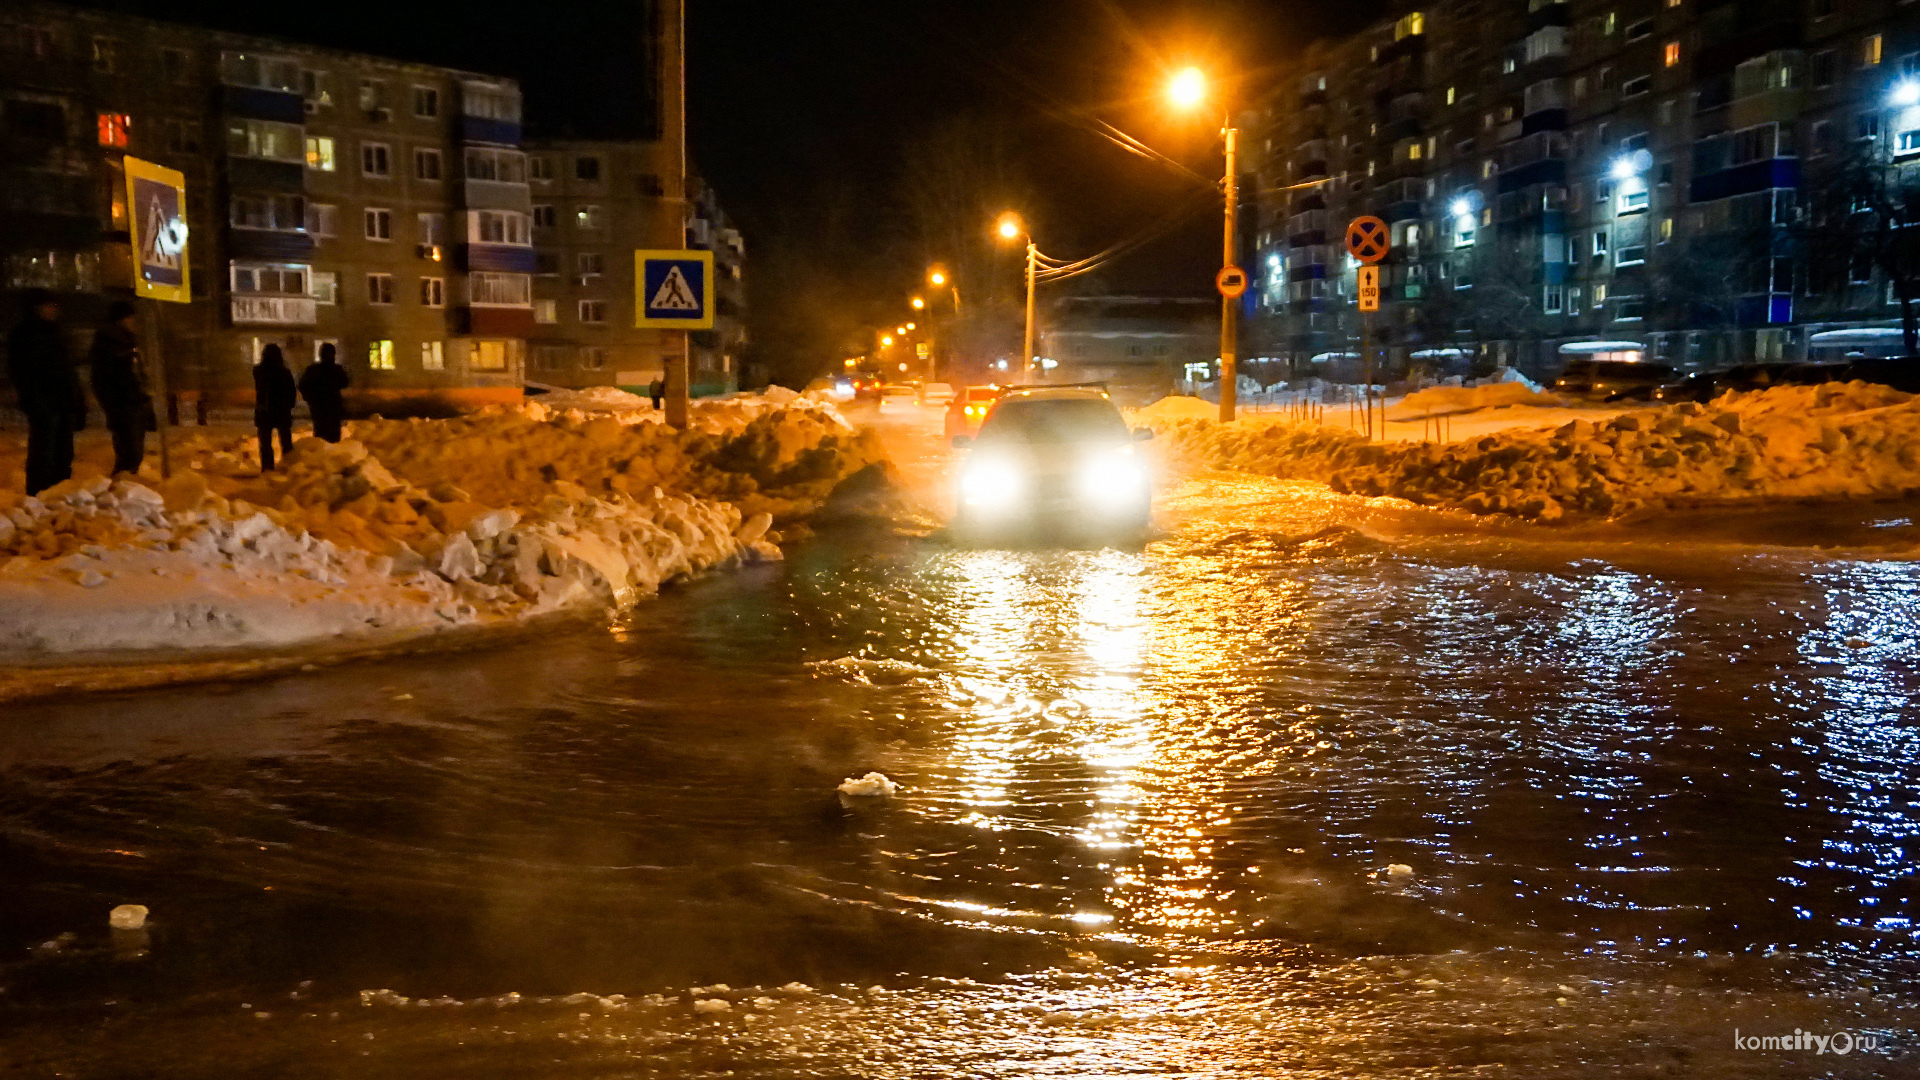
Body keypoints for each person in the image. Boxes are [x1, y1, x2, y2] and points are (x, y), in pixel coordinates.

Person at [5, 289, 86, 495]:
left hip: (63, 402)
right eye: (48, 306)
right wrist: (35, 402)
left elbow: (68, 370)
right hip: (44, 404)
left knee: (64, 452)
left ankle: (60, 490)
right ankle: (39, 493)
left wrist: (77, 400)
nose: (53, 311)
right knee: (44, 452)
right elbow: (22, 372)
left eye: (54, 306)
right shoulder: (25, 334)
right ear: (36, 309)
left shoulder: (57, 333)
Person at [88, 300, 153, 476]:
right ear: (119, 320)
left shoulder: (128, 342)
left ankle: (125, 485)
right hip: (123, 405)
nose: (134, 322)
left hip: (133, 402)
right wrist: (114, 404)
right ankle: (121, 486)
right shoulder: (110, 344)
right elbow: (104, 378)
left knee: (134, 451)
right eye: (130, 318)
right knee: (129, 452)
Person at [252, 343, 297, 472]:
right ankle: (287, 467)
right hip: (281, 411)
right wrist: (289, 406)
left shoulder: (259, 371)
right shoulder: (284, 372)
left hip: (264, 410)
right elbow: (290, 391)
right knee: (286, 441)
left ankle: (267, 468)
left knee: (265, 443)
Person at [298, 342, 350, 442]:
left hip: (318, 407)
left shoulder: (313, 369)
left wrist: (309, 398)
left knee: (320, 433)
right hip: (333, 406)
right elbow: (345, 382)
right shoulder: (336, 369)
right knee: (333, 434)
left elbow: (303, 385)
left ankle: (322, 453)